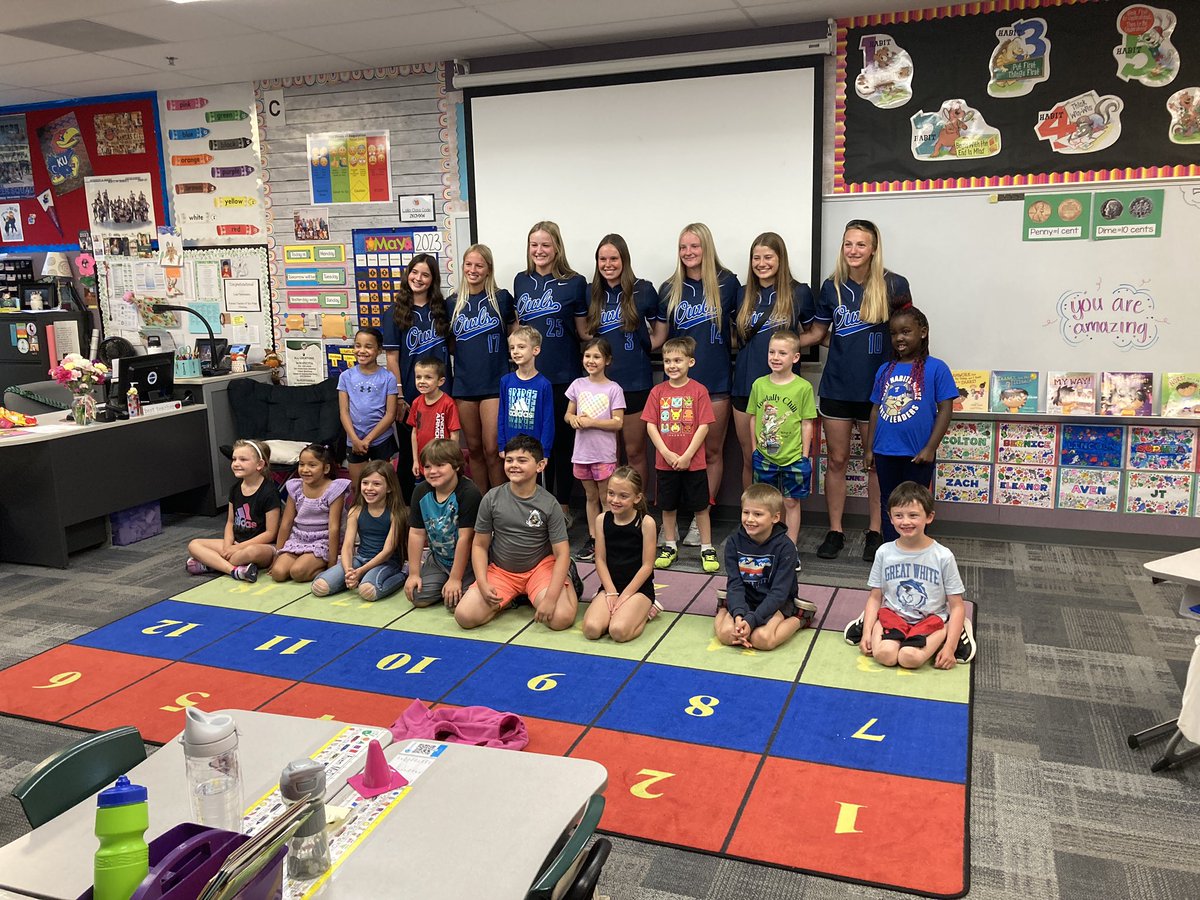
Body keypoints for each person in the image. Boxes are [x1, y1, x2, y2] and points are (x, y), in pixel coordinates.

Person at [801, 219, 913, 563]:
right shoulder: (831, 286)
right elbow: (818, 333)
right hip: (836, 386)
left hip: (879, 392)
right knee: (836, 461)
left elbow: (909, 330)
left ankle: (875, 530)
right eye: (848, 244)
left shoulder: (894, 284)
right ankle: (835, 530)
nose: (853, 250)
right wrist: (778, 344)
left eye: (861, 244)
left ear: (874, 248)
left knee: (875, 464)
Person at [654, 223, 739, 546]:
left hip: (715, 379)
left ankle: (700, 517)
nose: (688, 253)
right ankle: (672, 520)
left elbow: (739, 328)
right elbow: (660, 338)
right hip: (675, 387)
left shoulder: (727, 282)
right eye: (683, 247)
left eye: (694, 246)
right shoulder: (668, 288)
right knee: (672, 452)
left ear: (706, 247)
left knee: (712, 451)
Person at [455, 434, 581, 631]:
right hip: (502, 571)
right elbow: (479, 545)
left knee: (560, 619)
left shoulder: (549, 504)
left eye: (522, 460)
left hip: (540, 568)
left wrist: (550, 598)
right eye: (509, 460)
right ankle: (515, 597)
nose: (514, 465)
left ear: (540, 466)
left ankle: (566, 579)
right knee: (465, 616)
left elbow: (562, 553)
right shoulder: (491, 498)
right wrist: (482, 582)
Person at [844, 481, 976, 668]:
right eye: (898, 515)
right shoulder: (884, 552)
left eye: (913, 515)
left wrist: (949, 647)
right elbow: (875, 597)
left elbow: (957, 606)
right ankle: (868, 621)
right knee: (885, 655)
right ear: (890, 518)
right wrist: (866, 634)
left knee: (909, 658)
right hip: (894, 615)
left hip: (930, 619)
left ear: (929, 517)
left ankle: (958, 627)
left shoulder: (943, 556)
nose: (905, 522)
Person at [514, 222, 588, 523]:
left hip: (563, 375)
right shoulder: (521, 281)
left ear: (556, 247)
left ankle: (564, 506)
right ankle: (530, 503)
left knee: (562, 443)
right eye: (534, 245)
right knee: (531, 442)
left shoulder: (575, 282)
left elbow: (584, 331)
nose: (539, 251)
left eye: (545, 245)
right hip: (527, 379)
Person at [864, 306, 956, 543]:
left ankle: (914, 549)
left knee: (915, 504)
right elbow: (875, 409)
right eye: (894, 334)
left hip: (918, 453)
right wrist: (869, 448)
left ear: (923, 332)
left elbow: (945, 409)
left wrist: (930, 448)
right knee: (889, 502)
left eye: (906, 332)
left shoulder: (937, 368)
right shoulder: (885, 369)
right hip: (885, 451)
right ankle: (891, 549)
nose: (899, 338)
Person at [731, 232, 815, 488]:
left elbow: (815, 332)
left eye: (768, 257)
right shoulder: (742, 293)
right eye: (756, 258)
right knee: (752, 459)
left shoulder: (799, 292)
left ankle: (780, 521)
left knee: (785, 462)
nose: (761, 263)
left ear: (781, 259)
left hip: (784, 392)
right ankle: (753, 519)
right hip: (747, 386)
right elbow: (735, 337)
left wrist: (788, 349)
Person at [582, 234, 662, 487]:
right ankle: (613, 509)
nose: (608, 264)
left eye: (613, 258)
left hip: (635, 382)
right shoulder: (590, 292)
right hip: (600, 387)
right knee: (608, 454)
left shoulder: (644, 289)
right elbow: (584, 332)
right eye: (602, 259)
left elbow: (661, 329)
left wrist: (647, 346)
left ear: (624, 259)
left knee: (635, 451)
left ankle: (638, 507)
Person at [641, 336, 719, 574]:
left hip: (693, 463)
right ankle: (670, 545)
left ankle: (706, 547)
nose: (672, 365)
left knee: (700, 506)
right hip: (665, 463)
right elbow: (651, 425)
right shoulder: (657, 392)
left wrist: (686, 456)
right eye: (667, 361)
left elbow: (704, 426)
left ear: (690, 362)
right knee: (668, 506)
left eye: (678, 360)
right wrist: (665, 452)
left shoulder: (699, 391)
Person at [383, 253, 453, 498]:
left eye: (425, 274)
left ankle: (443, 504)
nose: (418, 278)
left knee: (442, 452)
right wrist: (400, 395)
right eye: (414, 272)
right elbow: (392, 358)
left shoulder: (443, 309)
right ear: (407, 274)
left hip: (443, 394)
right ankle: (408, 510)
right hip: (412, 397)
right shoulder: (395, 312)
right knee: (410, 454)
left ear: (433, 279)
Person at [715, 484, 817, 650]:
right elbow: (735, 584)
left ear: (775, 518)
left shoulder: (786, 547)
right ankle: (723, 607)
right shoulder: (734, 542)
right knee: (727, 635)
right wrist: (739, 614)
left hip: (777, 601)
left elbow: (779, 593)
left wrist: (752, 620)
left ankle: (801, 617)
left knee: (762, 639)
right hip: (746, 597)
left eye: (758, 514)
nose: (749, 519)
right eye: (745, 512)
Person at [748, 330, 817, 569]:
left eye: (782, 353)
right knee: (765, 503)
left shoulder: (803, 388)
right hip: (764, 457)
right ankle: (764, 546)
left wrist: (804, 455)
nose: (776, 357)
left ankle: (790, 548)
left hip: (793, 458)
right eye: (772, 352)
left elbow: (807, 422)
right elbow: (753, 418)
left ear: (795, 357)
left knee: (790, 503)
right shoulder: (759, 385)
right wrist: (755, 449)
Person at [450, 243, 514, 491]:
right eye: (469, 264)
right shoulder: (452, 302)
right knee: (473, 449)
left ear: (488, 269)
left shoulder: (501, 298)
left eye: (479, 265)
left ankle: (499, 503)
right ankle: (481, 504)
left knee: (492, 448)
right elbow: (452, 344)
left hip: (494, 384)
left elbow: (514, 334)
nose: (473, 269)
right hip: (464, 384)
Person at [582, 466, 661, 643]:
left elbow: (647, 565)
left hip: (638, 590)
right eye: (611, 493)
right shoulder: (602, 520)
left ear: (637, 498)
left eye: (623, 496)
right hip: (611, 586)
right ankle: (616, 609)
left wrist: (625, 595)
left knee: (618, 631)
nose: (615, 500)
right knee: (591, 630)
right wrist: (610, 591)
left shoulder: (646, 523)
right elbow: (600, 560)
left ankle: (647, 612)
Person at [312, 460, 409, 602]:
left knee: (367, 591)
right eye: (365, 483)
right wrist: (348, 571)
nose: (369, 488)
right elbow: (347, 546)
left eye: (376, 484)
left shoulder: (396, 513)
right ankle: (357, 578)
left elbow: (387, 550)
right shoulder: (356, 510)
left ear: (389, 488)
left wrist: (361, 572)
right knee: (319, 587)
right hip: (360, 559)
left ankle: (403, 574)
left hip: (386, 563)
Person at [565, 337, 625, 563]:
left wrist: (592, 423)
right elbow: (568, 414)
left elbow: (618, 422)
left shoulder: (614, 389)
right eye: (587, 356)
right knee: (590, 497)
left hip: (603, 454)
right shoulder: (577, 385)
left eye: (597, 356)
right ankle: (593, 537)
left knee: (606, 497)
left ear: (607, 360)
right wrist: (574, 420)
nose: (591, 360)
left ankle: (610, 537)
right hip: (582, 453)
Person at [186, 439, 280, 582]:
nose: (236, 463)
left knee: (250, 552)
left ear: (259, 465)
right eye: (234, 459)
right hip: (236, 543)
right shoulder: (235, 489)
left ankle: (212, 564)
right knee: (194, 545)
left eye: (243, 459)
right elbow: (230, 522)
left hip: (262, 547)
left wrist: (237, 548)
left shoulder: (269, 491)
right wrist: (227, 546)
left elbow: (270, 533)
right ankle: (234, 570)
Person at [404, 439, 482, 609]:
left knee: (458, 606)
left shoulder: (469, 493)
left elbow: (465, 539)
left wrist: (455, 578)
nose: (433, 471)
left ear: (456, 466)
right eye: (427, 467)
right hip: (439, 560)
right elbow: (416, 533)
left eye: (440, 465)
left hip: (468, 561)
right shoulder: (421, 491)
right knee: (417, 597)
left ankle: (458, 584)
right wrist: (414, 573)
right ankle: (442, 583)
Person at [269, 444, 350, 583]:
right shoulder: (295, 487)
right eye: (301, 464)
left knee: (298, 572)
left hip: (321, 541)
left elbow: (334, 527)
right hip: (298, 538)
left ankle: (320, 566)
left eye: (312, 465)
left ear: (326, 468)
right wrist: (277, 554)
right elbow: (286, 523)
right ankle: (303, 561)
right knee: (278, 573)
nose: (305, 470)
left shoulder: (334, 489)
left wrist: (332, 561)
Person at [338, 327, 399, 494]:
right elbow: (344, 411)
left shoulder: (388, 378)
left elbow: (390, 414)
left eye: (368, 346)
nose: (362, 351)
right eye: (358, 345)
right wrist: (356, 440)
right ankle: (359, 518)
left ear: (379, 350)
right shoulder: (346, 377)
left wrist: (369, 439)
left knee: (384, 487)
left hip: (381, 440)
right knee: (358, 488)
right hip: (354, 439)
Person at [497, 325, 554, 462]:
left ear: (536, 350)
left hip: (534, 449)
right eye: (512, 348)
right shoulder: (506, 381)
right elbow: (501, 414)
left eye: (521, 347)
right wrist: (501, 444)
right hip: (511, 446)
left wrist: (545, 450)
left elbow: (548, 420)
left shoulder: (544, 384)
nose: (515, 352)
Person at [407, 357, 461, 480]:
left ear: (440, 381)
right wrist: (415, 460)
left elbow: (454, 434)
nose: (422, 381)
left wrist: (452, 459)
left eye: (428, 377)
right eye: (418, 377)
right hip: (423, 462)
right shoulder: (416, 403)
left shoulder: (448, 403)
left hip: (443, 461)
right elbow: (414, 432)